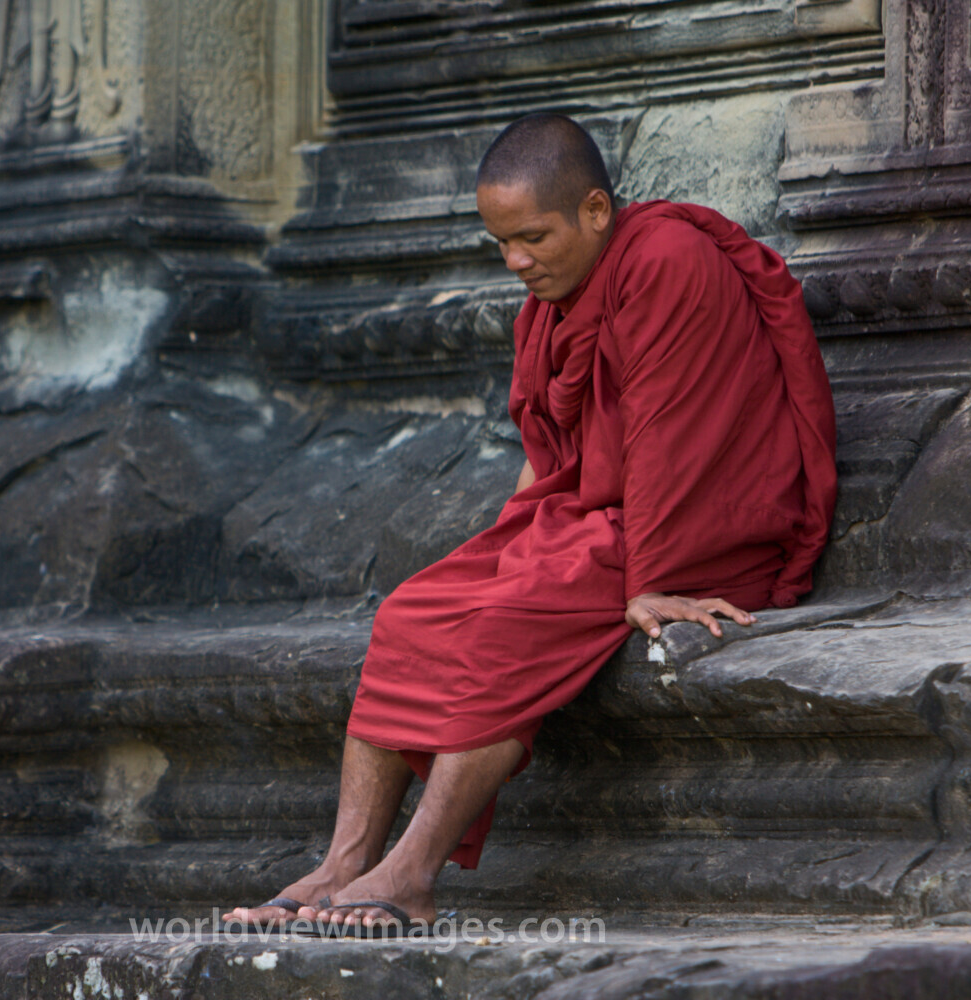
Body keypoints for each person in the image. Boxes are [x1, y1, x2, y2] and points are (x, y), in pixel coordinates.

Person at [224, 113, 837, 934]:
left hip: (701, 527)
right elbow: (553, 452)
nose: (515, 261)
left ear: (593, 210)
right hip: (608, 518)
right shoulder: (555, 300)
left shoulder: (664, 260)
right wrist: (507, 545)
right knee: (414, 611)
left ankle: (409, 875)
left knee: (507, 621)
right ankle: (345, 863)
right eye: (501, 244)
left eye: (532, 237)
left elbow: (668, 430)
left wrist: (654, 579)